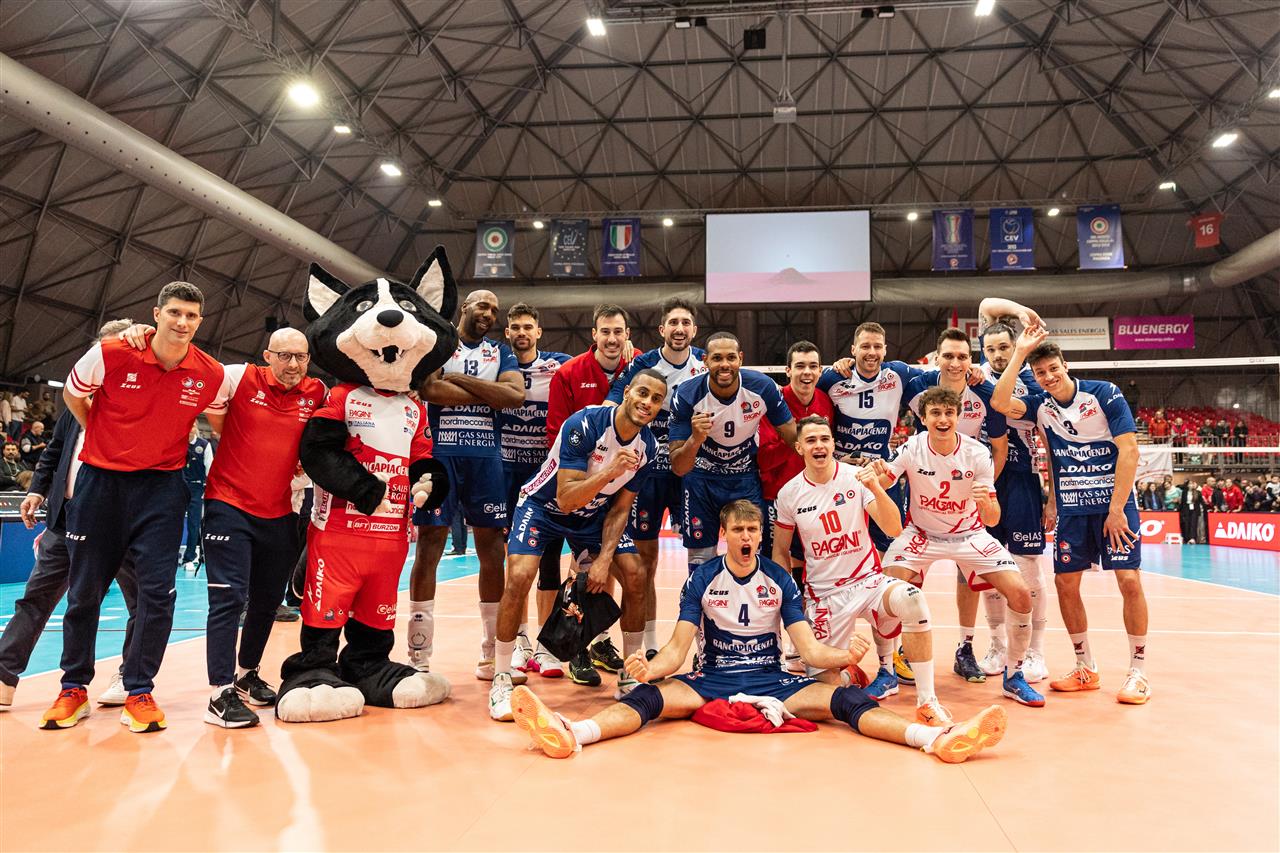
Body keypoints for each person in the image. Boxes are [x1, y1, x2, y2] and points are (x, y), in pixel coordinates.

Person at [506, 500, 1008, 764]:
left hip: (773, 680)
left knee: (846, 702)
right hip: (712, 679)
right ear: (724, 536)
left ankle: (936, 738)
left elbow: (808, 648)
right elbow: (678, 648)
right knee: (647, 699)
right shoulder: (702, 578)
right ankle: (571, 733)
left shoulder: (779, 580)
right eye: (738, 531)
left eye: (753, 531)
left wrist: (845, 656)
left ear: (759, 537)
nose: (746, 537)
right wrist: (648, 668)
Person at [42, 282, 229, 732]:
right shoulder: (111, 353)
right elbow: (72, 396)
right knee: (84, 591)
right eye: (174, 313)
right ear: (157, 314)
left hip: (161, 490)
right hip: (100, 485)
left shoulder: (210, 374)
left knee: (156, 595)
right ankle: (73, 688)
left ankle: (139, 689)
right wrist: (99, 431)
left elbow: (224, 423)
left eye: (191, 316)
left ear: (200, 322)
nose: (182, 322)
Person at [488, 371, 666, 720]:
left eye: (656, 399)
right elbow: (566, 499)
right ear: (627, 393)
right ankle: (502, 677)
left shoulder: (649, 448)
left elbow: (621, 509)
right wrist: (610, 472)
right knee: (520, 576)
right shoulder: (584, 424)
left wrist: (603, 560)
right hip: (543, 507)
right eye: (643, 393)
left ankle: (629, 676)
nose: (647, 403)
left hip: (594, 515)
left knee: (635, 574)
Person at [990, 326, 1152, 705]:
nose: (1048, 377)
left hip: (1113, 504)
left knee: (1129, 580)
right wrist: (1019, 354)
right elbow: (999, 402)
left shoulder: (1104, 394)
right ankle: (1085, 666)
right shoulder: (1040, 406)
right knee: (1065, 584)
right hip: (1073, 506)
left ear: (1066, 366)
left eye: (1053, 369)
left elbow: (1129, 451)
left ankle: (1138, 671)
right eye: (1040, 372)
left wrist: (1117, 509)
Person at [773, 416, 956, 725]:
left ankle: (928, 702)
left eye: (824, 439)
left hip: (868, 581)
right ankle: (850, 675)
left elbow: (894, 528)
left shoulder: (855, 478)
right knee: (824, 691)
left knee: (912, 599)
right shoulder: (789, 493)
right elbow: (780, 551)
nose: (819, 446)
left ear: (833, 443)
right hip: (825, 595)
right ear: (799, 447)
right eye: (811, 440)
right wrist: (789, 601)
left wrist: (875, 487)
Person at [1, 321, 141, 712]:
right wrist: (36, 490)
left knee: (142, 602)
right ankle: (3, 675)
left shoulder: (141, 406)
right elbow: (54, 452)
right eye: (101, 353)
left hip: (121, 524)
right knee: (35, 599)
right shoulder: (75, 401)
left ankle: (130, 676)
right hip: (66, 520)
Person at [876, 387, 1044, 708]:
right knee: (884, 591)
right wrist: (874, 475)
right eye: (935, 413)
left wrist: (986, 503)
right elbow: (885, 480)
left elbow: (992, 518)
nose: (943, 419)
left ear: (958, 416)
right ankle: (885, 671)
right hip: (922, 533)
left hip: (969, 534)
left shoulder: (977, 453)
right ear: (923, 418)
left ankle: (1014, 675)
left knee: (1021, 594)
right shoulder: (911, 447)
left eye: (949, 413)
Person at [197, 328, 325, 728]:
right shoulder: (238, 377)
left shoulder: (316, 392)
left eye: (300, 357)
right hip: (228, 505)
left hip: (281, 511)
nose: (293, 364)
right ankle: (219, 693)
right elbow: (212, 412)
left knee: (267, 601)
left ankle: (245, 675)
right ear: (267, 355)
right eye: (284, 355)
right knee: (229, 598)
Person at [410, 289, 523, 679]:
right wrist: (488, 393)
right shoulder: (440, 343)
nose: (489, 313)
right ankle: (419, 654)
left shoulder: (501, 352)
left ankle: (492, 652)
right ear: (465, 307)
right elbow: (430, 389)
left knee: (491, 550)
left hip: (486, 459)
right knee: (429, 545)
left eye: (494, 309)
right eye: (483, 305)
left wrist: (457, 380)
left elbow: (514, 396)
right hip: (438, 456)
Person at [904, 328, 1010, 685]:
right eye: (948, 356)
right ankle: (906, 647)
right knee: (912, 570)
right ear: (937, 358)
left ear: (971, 360)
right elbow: (880, 371)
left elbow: (999, 449)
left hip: (967, 493)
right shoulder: (918, 385)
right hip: (925, 489)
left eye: (962, 356)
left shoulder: (985, 392)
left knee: (969, 573)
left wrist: (982, 488)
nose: (954, 362)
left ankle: (965, 648)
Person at [605, 298, 706, 661]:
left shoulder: (706, 364)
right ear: (662, 329)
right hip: (646, 473)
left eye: (685, 323)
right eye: (673, 323)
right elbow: (611, 405)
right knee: (644, 561)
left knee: (700, 562)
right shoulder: (642, 364)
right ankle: (647, 643)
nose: (679, 329)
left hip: (689, 472)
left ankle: (705, 645)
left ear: (694, 330)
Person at [544, 304, 633, 684]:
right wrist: (584, 481)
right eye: (605, 331)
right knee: (580, 566)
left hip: (620, 481)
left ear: (627, 335)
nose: (612, 338)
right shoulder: (569, 373)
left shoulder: (638, 367)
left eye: (618, 331)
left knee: (606, 563)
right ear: (593, 335)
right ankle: (576, 645)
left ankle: (599, 639)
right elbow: (555, 434)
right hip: (577, 483)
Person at [970, 301, 1051, 685]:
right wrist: (1021, 312)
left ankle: (1035, 651)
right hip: (984, 479)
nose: (998, 355)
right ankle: (997, 645)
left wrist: (1051, 498)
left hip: (1021, 478)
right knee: (989, 568)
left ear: (1015, 346)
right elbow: (986, 305)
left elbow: (1044, 437)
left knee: (1027, 568)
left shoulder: (1032, 382)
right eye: (991, 349)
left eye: (1004, 347)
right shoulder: (978, 372)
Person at [669, 332, 796, 572]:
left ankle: (748, 596)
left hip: (743, 478)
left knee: (749, 553)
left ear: (741, 358)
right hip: (701, 481)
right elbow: (678, 467)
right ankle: (703, 598)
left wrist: (829, 465)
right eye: (717, 358)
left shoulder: (762, 387)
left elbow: (793, 438)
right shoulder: (687, 394)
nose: (724, 364)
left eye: (730, 357)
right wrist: (695, 439)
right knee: (700, 559)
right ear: (705, 361)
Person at [496, 302, 571, 676]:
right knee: (516, 563)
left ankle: (546, 645)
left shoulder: (559, 366)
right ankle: (520, 640)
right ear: (507, 332)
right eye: (516, 327)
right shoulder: (498, 368)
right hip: (507, 477)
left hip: (546, 478)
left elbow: (599, 366)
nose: (522, 333)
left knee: (551, 560)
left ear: (539, 332)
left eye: (528, 326)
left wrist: (629, 351)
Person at [756, 341, 834, 670]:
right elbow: (762, 458)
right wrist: (796, 440)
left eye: (812, 366)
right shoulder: (774, 402)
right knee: (776, 572)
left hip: (815, 499)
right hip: (777, 498)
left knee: (812, 573)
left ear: (820, 370)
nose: (806, 372)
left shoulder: (825, 401)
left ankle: (806, 642)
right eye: (799, 366)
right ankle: (770, 642)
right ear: (787, 371)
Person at [179, 423, 214, 570]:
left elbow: (210, 469)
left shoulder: (204, 445)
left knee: (194, 524)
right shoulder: (177, 443)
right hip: (179, 487)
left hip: (196, 488)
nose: (190, 429)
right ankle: (171, 556)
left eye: (193, 426)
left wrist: (208, 490)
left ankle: (189, 557)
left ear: (196, 428)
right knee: (174, 522)